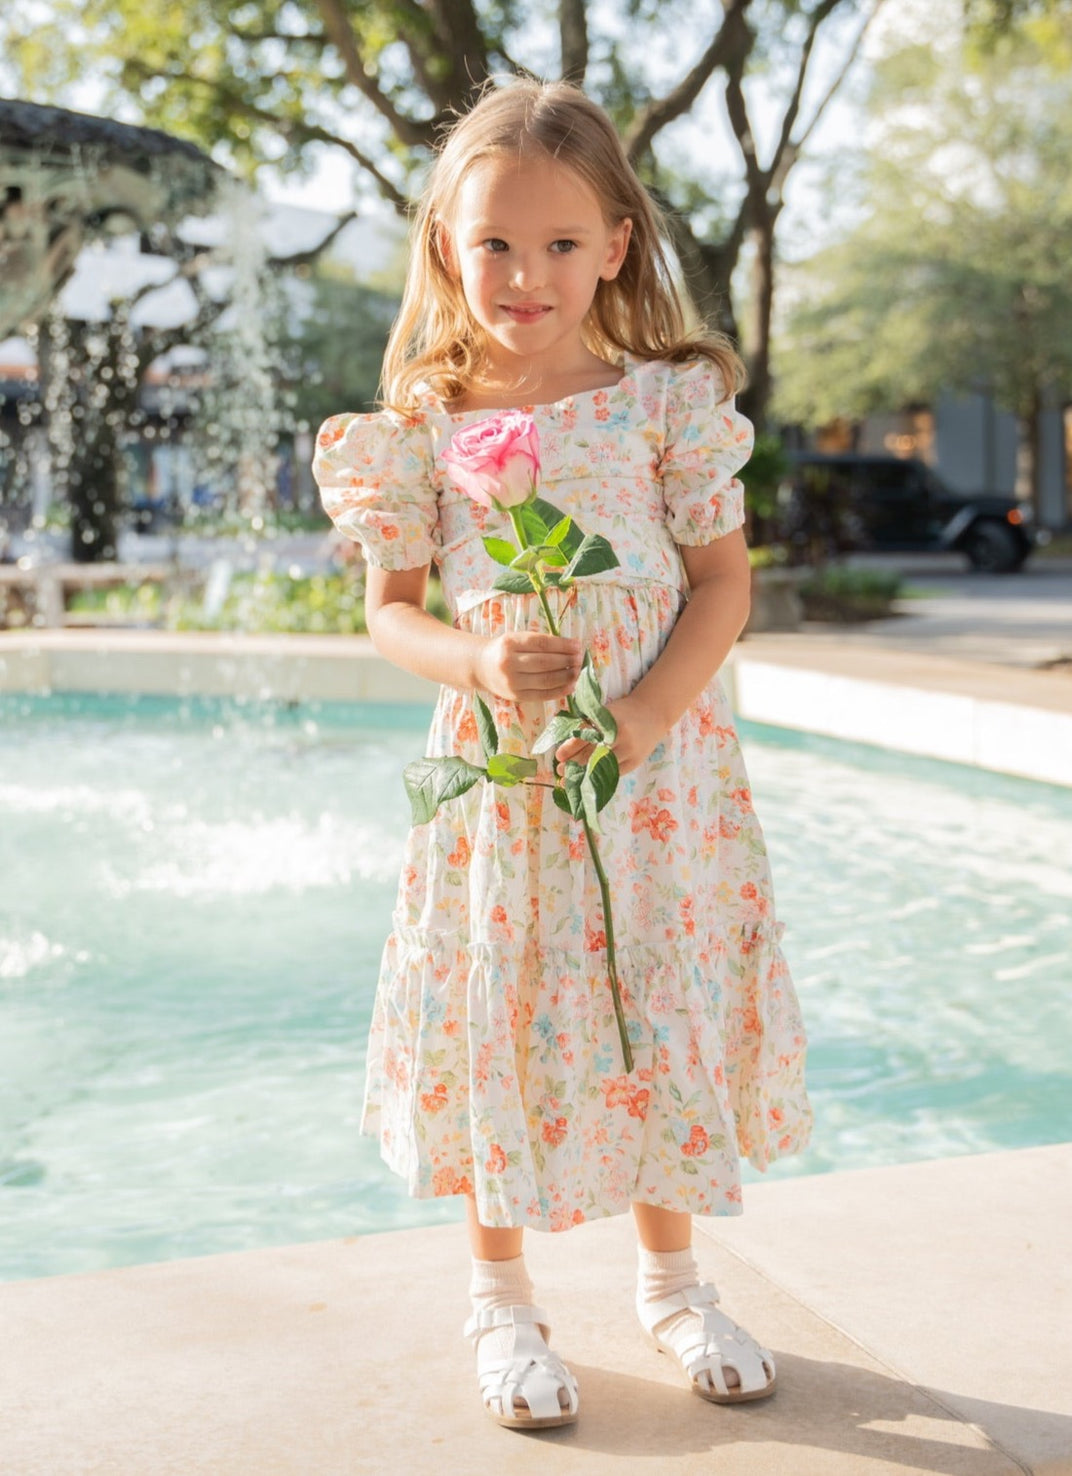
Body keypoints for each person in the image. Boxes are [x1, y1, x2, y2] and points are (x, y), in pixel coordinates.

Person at [313, 78, 812, 1432]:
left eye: (558, 246)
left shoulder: (663, 406)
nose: (524, 276)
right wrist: (475, 661)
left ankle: (672, 1281)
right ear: (441, 246)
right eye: (492, 245)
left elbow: (721, 585)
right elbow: (391, 611)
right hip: (509, 783)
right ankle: (503, 1306)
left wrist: (645, 721)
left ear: (615, 249)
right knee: (504, 1015)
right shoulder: (417, 426)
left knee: (655, 995)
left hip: (661, 779)